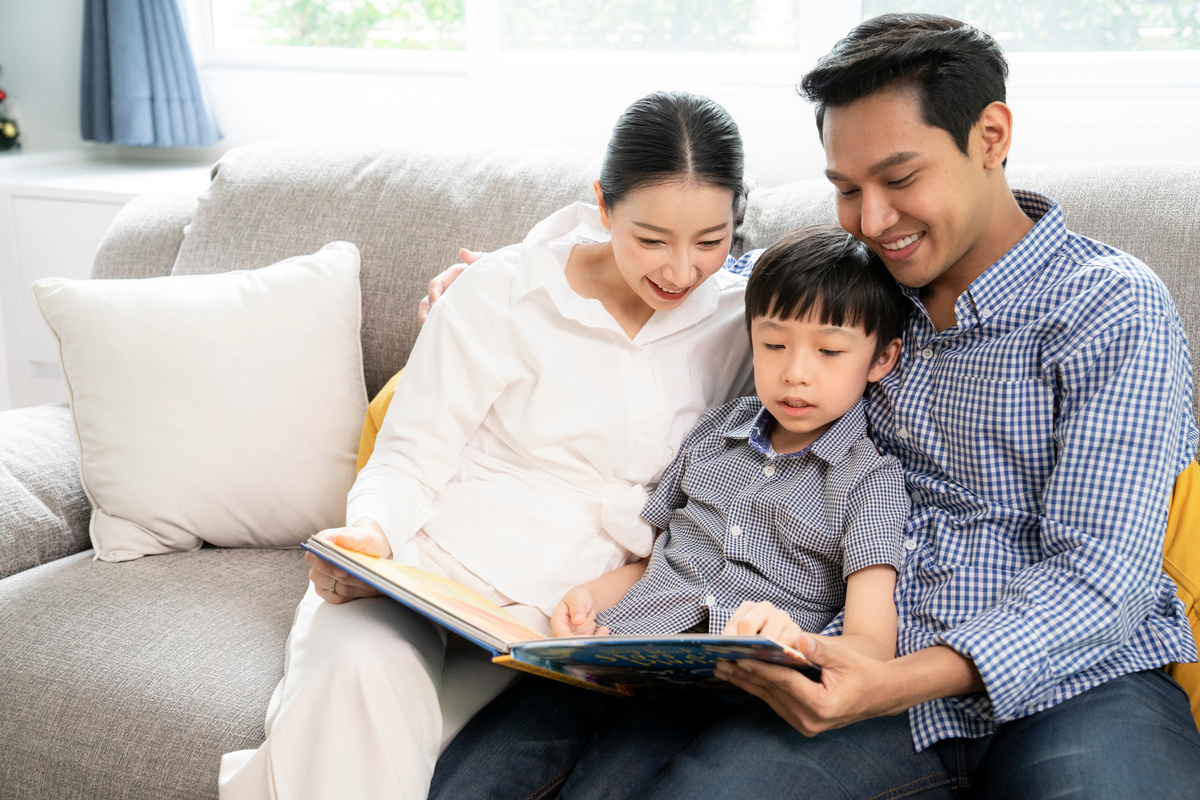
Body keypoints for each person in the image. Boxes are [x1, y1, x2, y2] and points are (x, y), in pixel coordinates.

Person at [428, 13, 1200, 799]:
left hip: (1082, 684)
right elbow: (686, 259)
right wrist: (509, 287)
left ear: (991, 136)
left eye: (900, 180)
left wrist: (892, 680)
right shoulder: (849, 284)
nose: (872, 221)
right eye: (845, 190)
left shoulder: (1111, 307)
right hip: (854, 681)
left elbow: (1102, 576)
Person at [217, 90, 760, 800]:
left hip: (559, 616)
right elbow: (413, 451)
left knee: (414, 746)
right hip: (434, 565)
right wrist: (369, 535)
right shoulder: (505, 289)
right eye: (651, 240)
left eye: (710, 241)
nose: (682, 270)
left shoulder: (747, 320)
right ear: (602, 206)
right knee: (357, 675)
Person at [552, 224, 909, 675]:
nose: (795, 372)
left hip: (739, 686)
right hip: (625, 644)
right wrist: (589, 596)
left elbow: (872, 645)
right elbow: (657, 561)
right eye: (774, 345)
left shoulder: (869, 482)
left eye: (830, 351)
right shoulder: (716, 431)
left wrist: (796, 642)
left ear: (882, 358)